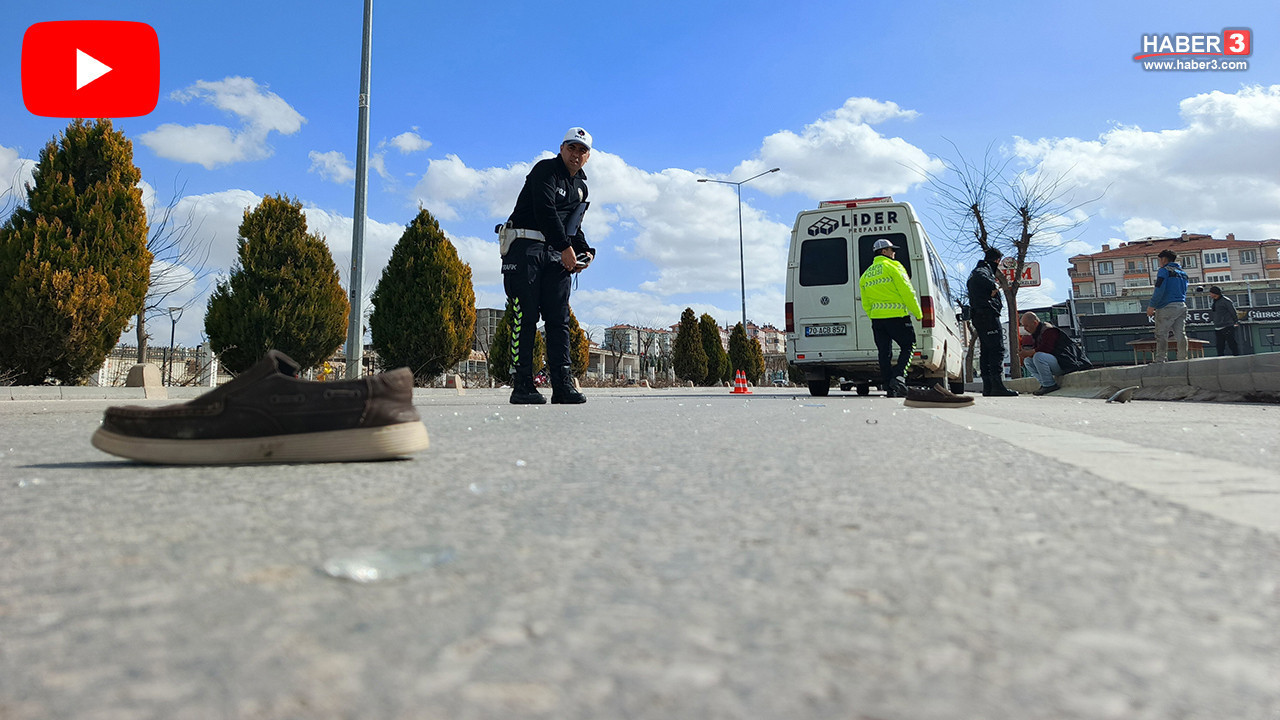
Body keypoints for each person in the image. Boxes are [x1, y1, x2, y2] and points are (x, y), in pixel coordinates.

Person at [500, 128, 597, 405]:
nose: (576, 154)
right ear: (562, 148)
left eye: (582, 150)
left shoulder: (581, 187)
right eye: (572, 148)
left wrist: (585, 251)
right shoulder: (545, 170)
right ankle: (522, 386)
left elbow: (572, 226)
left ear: (588, 156)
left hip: (556, 254)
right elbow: (545, 210)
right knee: (526, 316)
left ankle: (562, 386)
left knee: (559, 320)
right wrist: (566, 248)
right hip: (524, 249)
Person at [858, 238, 922, 397]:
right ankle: (899, 377)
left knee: (884, 352)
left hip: (878, 320)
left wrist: (873, 315)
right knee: (909, 345)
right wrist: (918, 313)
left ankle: (889, 386)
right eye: (892, 249)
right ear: (884, 251)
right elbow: (907, 291)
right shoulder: (894, 266)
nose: (894, 252)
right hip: (898, 317)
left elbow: (865, 302)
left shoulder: (865, 275)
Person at [966, 247, 1017, 397]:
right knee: (996, 349)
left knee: (987, 351)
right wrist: (993, 286)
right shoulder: (982, 271)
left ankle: (988, 387)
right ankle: (996, 386)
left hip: (980, 315)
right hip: (987, 315)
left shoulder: (978, 270)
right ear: (997, 261)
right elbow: (981, 279)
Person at [1018, 312, 1092, 395]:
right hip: (1056, 363)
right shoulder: (1036, 334)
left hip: (1065, 363)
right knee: (1028, 361)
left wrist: (1029, 352)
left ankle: (1049, 385)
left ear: (1035, 323)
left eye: (1026, 326)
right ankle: (1043, 384)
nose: (1025, 329)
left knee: (1038, 356)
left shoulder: (1049, 330)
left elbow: (1047, 348)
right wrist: (1027, 354)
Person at [1146, 249, 1189, 362]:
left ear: (1164, 259)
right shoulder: (1183, 273)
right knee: (1180, 333)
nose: (1159, 262)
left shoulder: (1164, 271)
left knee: (1161, 333)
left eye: (1159, 260)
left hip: (1166, 306)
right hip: (1181, 305)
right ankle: (1182, 358)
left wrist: (1152, 305)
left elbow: (1159, 289)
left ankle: (1161, 358)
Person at [1208, 286, 1241, 356]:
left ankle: (1237, 356)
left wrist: (1236, 321)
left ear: (1215, 293)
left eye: (1211, 293)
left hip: (1227, 325)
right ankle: (1220, 358)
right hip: (1218, 326)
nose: (1210, 295)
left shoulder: (1225, 301)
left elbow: (1233, 311)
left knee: (1231, 343)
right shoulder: (1214, 301)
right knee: (1219, 345)